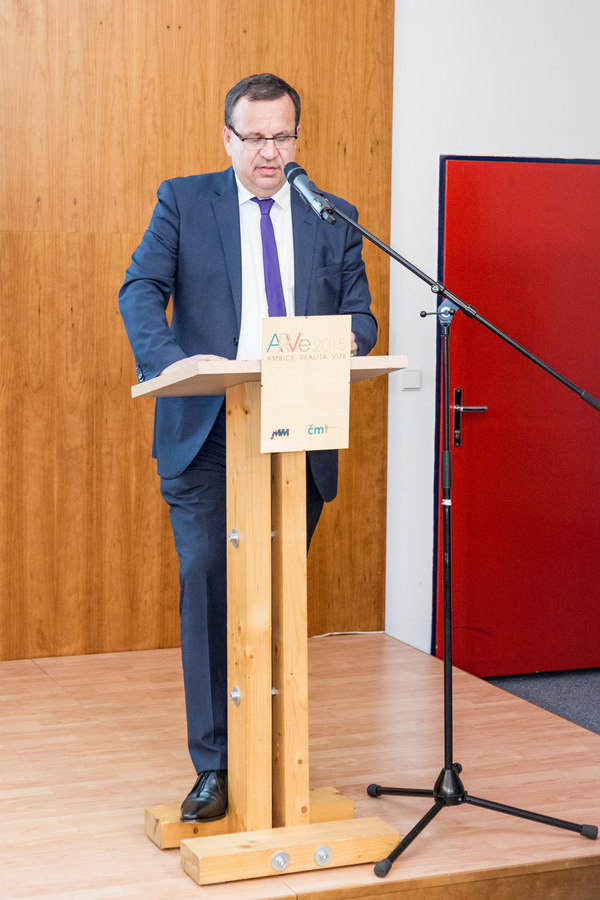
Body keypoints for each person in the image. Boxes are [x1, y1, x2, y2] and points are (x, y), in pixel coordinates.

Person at [119, 73, 377, 823]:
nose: (270, 152)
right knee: (209, 584)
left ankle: (276, 751)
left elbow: (361, 320)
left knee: (278, 592)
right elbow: (140, 289)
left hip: (297, 434)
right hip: (206, 431)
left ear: (298, 137)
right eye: (255, 137)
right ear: (228, 138)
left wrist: (345, 341)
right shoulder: (184, 201)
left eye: (282, 136)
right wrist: (173, 363)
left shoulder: (331, 214)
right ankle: (217, 764)